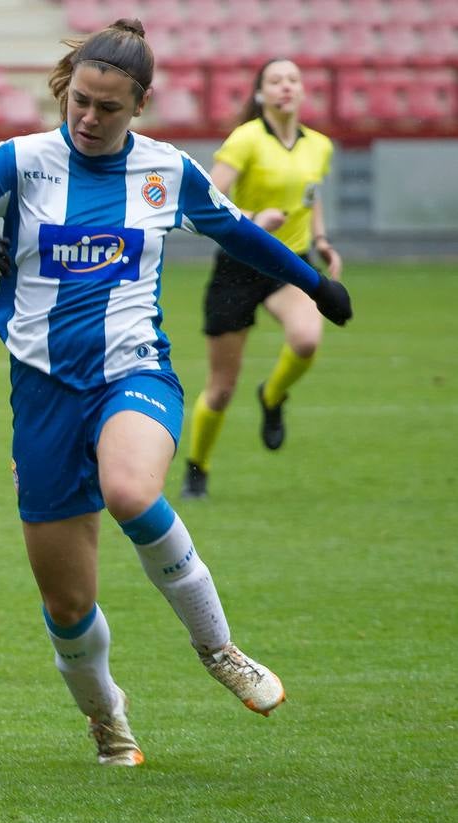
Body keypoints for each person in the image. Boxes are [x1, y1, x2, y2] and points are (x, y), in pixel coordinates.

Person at [0, 20, 352, 767]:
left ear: (137, 106)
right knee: (68, 605)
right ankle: (107, 714)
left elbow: (236, 232)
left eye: (107, 108)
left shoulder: (165, 171)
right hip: (43, 393)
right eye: (78, 100)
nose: (87, 117)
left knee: (131, 491)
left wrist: (314, 283)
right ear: (63, 90)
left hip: (132, 369)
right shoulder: (22, 160)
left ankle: (217, 648)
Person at [181, 58, 342, 498]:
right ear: (260, 93)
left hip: (289, 263)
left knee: (307, 339)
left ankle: (272, 397)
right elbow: (207, 201)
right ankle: (198, 467)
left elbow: (312, 197)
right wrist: (253, 218)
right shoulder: (245, 140)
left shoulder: (319, 146)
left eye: (293, 79)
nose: (286, 87)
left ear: (304, 91)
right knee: (221, 389)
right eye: (276, 80)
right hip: (239, 265)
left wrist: (323, 240)